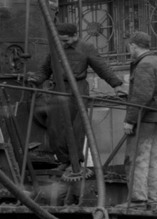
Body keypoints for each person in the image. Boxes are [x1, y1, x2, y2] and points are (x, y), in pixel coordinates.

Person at [35, 19, 124, 175]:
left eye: (65, 40)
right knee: (55, 127)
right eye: (59, 40)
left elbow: (101, 67)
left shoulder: (86, 48)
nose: (62, 43)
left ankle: (76, 162)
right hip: (58, 90)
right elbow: (45, 70)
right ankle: (63, 160)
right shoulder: (55, 48)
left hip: (77, 89)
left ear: (75, 36)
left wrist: (116, 84)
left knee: (76, 127)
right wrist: (35, 80)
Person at [122, 30, 157, 210]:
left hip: (144, 119)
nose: (129, 51)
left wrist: (130, 120)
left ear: (133, 46)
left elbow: (142, 96)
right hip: (156, 118)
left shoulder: (144, 64)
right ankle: (151, 200)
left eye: (129, 47)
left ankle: (137, 201)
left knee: (136, 160)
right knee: (150, 161)